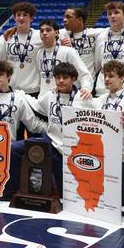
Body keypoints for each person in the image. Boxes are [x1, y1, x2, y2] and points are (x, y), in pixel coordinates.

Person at [0, 61, 47, 195]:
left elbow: (33, 124)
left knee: (13, 152)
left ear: (9, 76)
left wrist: (52, 128)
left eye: (1, 74)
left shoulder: (19, 98)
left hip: (10, 146)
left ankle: (12, 190)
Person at [28, 62, 93, 196]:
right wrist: (21, 94)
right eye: (57, 78)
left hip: (75, 149)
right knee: (24, 149)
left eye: (65, 78)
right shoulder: (50, 95)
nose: (60, 81)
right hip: (52, 144)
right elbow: (36, 105)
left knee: (69, 193)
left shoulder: (83, 98)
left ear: (74, 79)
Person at [91, 60, 124, 204]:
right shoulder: (100, 100)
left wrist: (120, 123)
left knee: (120, 200)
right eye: (105, 76)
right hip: (101, 155)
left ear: (122, 78)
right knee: (102, 197)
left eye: (111, 76)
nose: (106, 79)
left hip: (123, 156)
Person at [35, 19, 92, 97]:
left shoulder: (68, 52)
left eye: (48, 30)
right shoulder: (39, 53)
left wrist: (86, 88)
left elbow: (84, 74)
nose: (44, 33)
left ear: (56, 33)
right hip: (43, 98)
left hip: (64, 98)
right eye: (41, 31)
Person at [3, 2, 43, 97]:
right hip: (11, 89)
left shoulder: (39, 36)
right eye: (18, 15)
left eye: (25, 15)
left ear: (31, 18)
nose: (21, 18)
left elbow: (55, 41)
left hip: (34, 90)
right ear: (14, 17)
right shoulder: (6, 37)